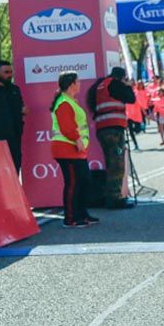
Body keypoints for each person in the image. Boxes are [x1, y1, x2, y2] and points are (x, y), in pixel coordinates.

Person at [86, 66, 136, 210]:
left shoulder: (99, 85)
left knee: (110, 162)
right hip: (114, 128)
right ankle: (114, 199)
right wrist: (127, 86)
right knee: (117, 164)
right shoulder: (116, 84)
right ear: (121, 77)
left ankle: (110, 196)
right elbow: (131, 99)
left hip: (102, 128)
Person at [51, 72, 96, 228]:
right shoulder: (64, 102)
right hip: (66, 148)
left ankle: (82, 213)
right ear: (71, 84)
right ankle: (70, 218)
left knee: (83, 181)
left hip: (74, 149)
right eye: (78, 81)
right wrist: (77, 139)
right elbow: (66, 126)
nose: (80, 84)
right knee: (73, 183)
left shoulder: (70, 101)